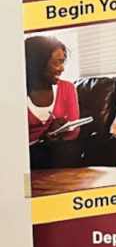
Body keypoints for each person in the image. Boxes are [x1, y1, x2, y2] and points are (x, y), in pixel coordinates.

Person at [25, 35, 81, 169]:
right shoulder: (15, 93)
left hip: (59, 149)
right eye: (57, 63)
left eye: (63, 62)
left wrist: (58, 133)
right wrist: (44, 136)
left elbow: (74, 131)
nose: (62, 69)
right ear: (38, 63)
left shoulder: (67, 88)